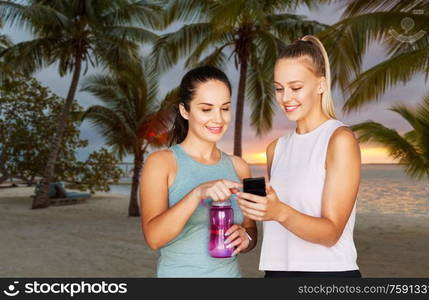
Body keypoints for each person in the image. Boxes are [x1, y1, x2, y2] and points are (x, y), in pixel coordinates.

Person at [236, 35, 361, 278]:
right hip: (277, 274)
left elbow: (331, 233)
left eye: (296, 88)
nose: (285, 98)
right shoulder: (276, 149)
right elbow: (277, 223)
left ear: (321, 85)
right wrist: (249, 226)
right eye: (279, 89)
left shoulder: (339, 139)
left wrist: (278, 211)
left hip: (328, 276)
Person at [139, 65, 257, 278]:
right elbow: (153, 239)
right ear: (185, 110)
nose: (218, 119)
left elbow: (251, 228)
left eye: (225, 108)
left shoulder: (240, 167)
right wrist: (197, 194)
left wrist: (246, 238)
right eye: (206, 109)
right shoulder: (160, 163)